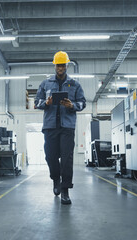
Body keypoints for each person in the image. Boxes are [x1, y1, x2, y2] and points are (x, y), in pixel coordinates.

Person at [34, 51, 86, 204]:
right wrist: (46, 103)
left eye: (63, 65)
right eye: (58, 65)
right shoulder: (46, 84)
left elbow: (83, 103)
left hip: (67, 127)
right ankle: (56, 179)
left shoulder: (75, 84)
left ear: (67, 65)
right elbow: (37, 102)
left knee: (66, 159)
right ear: (55, 66)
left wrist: (72, 105)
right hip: (50, 126)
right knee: (50, 157)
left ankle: (65, 190)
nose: (60, 68)